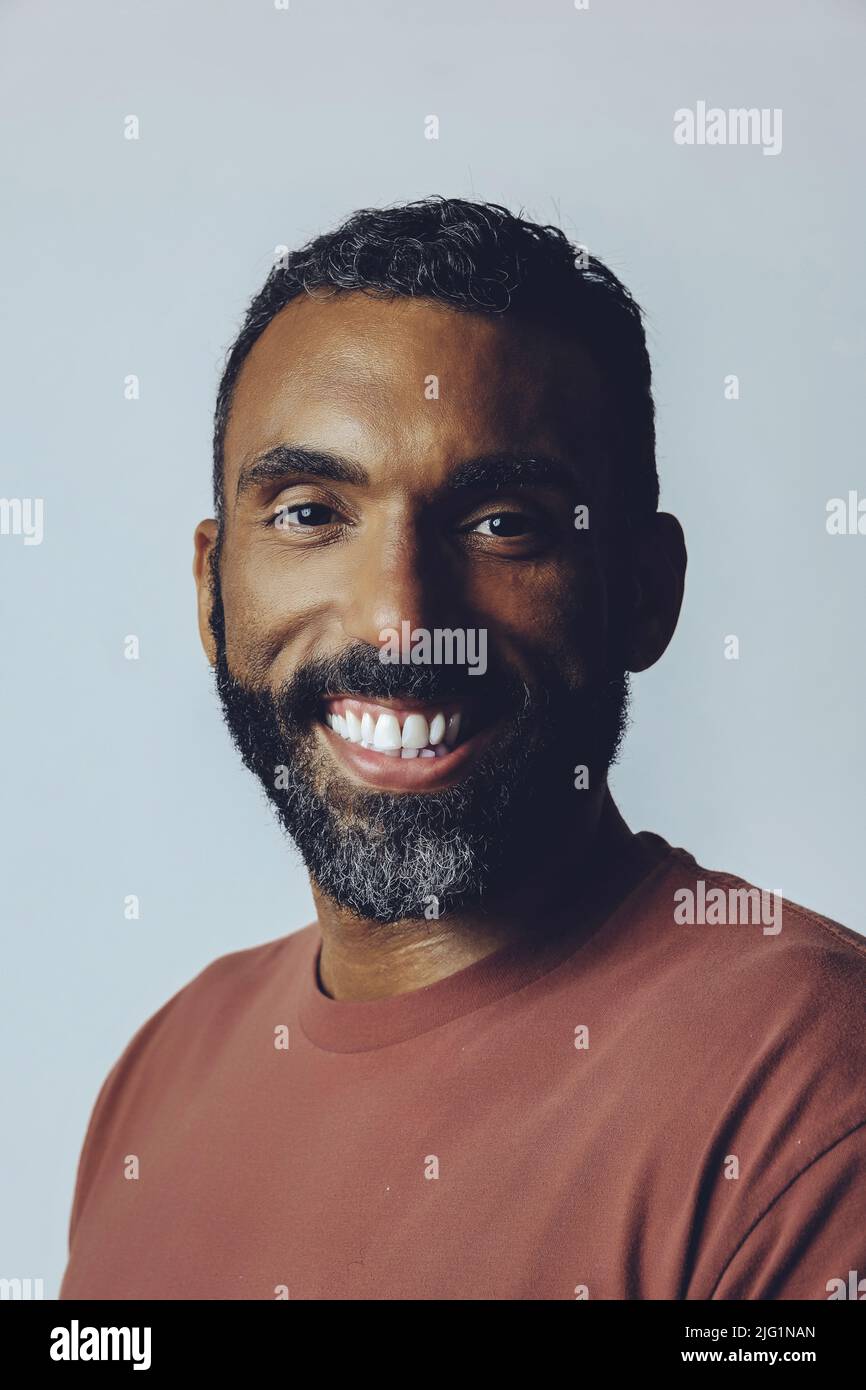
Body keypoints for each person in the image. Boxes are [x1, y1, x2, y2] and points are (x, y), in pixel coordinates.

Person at [60, 197, 866, 1300]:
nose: (399, 621)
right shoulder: (162, 1073)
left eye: (502, 524)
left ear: (643, 591)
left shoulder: (807, 1093)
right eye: (308, 513)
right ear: (210, 588)